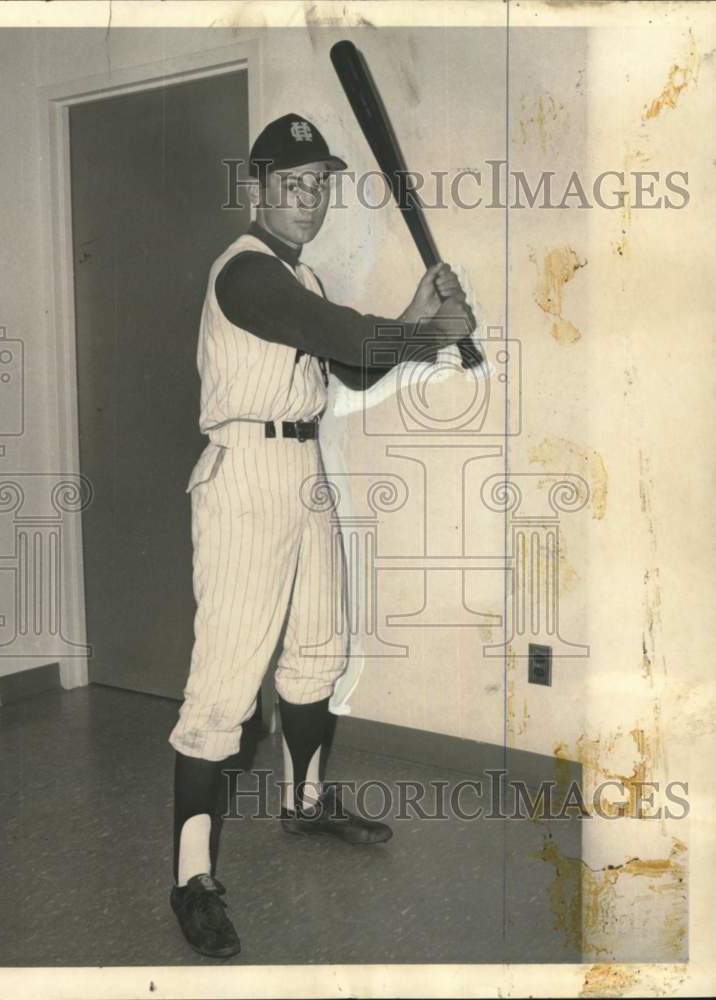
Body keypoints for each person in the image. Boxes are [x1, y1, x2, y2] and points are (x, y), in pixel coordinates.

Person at [168, 113, 479, 959]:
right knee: (222, 693)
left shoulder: (293, 277)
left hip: (300, 471)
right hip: (242, 479)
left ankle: (306, 805)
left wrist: (415, 314)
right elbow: (346, 338)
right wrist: (435, 333)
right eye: (293, 186)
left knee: (317, 653)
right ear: (260, 189)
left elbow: (346, 363)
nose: (308, 201)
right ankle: (191, 878)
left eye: (319, 187)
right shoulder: (245, 274)